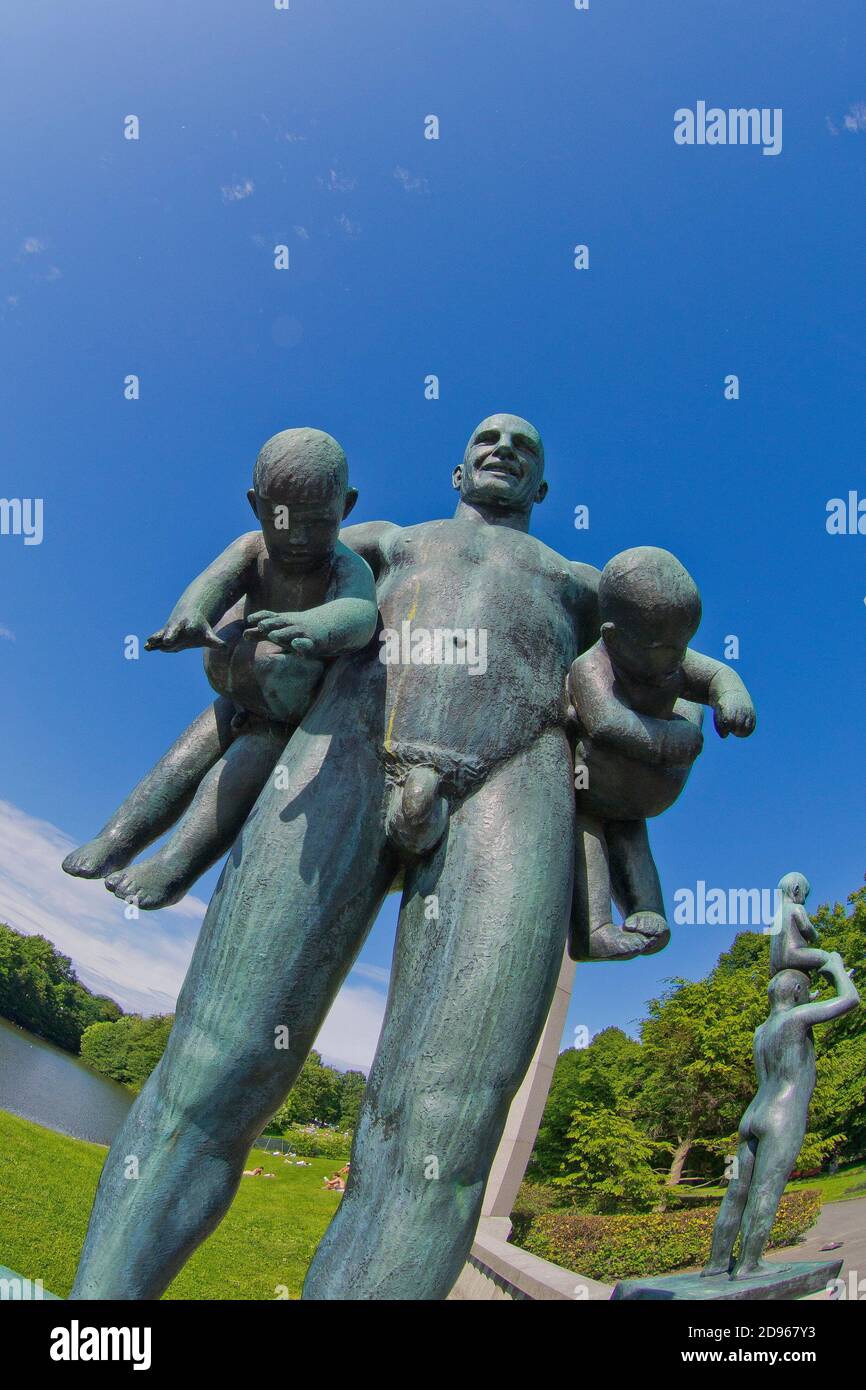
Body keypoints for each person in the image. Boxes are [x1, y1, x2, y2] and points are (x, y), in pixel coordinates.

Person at [69, 414, 713, 1303]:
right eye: (487, 438)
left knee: (440, 1136)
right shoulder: (388, 542)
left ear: (543, 492)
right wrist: (232, 630)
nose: (504, 448)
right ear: (456, 468)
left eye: (525, 449)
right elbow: (274, 550)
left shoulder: (578, 584)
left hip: (511, 779)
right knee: (215, 1066)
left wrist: (685, 720)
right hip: (354, 741)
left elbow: (668, 657)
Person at [62, 429, 376, 909]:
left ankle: (173, 867)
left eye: (317, 522)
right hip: (234, 692)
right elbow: (208, 586)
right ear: (256, 506)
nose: (297, 536)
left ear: (346, 508)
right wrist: (189, 618)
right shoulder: (252, 549)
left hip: (280, 713)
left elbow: (359, 615)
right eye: (282, 519)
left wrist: (316, 625)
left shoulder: (344, 566)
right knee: (181, 760)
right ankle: (117, 839)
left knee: (238, 770)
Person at [566, 546, 756, 960]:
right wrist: (673, 741)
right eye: (662, 647)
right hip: (593, 788)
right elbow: (605, 722)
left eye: (683, 643)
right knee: (589, 837)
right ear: (613, 636)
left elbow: (719, 674)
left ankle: (647, 909)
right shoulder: (591, 667)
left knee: (632, 836)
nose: (677, 657)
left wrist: (731, 695)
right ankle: (593, 929)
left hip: (635, 794)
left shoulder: (673, 659)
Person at [702, 953, 859, 1279]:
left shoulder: (761, 1030)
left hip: (752, 1117)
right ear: (798, 995)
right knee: (764, 1190)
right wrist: (837, 969)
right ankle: (749, 1264)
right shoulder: (797, 1019)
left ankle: (716, 1263)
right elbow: (850, 999)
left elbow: (794, 1010)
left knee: (735, 1192)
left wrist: (806, 997)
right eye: (804, 992)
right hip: (781, 1115)